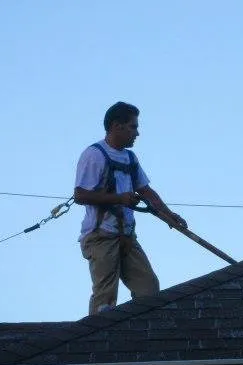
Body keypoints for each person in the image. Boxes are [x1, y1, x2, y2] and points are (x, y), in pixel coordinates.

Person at [73, 102, 187, 316]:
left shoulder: (130, 158)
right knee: (105, 300)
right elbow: (80, 195)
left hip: (126, 237)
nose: (137, 133)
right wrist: (119, 198)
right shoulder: (94, 155)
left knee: (149, 291)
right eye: (133, 127)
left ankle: (139, 331)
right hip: (101, 237)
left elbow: (146, 191)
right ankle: (99, 335)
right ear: (117, 126)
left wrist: (169, 216)